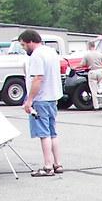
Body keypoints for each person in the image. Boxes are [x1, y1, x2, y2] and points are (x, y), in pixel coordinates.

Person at [18, 29, 64, 176]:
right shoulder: (51, 52)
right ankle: (57, 163)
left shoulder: (37, 55)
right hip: (53, 96)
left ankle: (47, 166)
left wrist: (29, 100)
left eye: (23, 44)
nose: (23, 48)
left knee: (44, 134)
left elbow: (38, 78)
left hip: (41, 98)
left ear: (31, 41)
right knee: (53, 132)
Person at [80, 41, 102, 109]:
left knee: (94, 90)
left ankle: (96, 106)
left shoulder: (87, 55)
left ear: (89, 46)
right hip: (100, 71)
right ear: (94, 46)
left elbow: (82, 64)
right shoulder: (100, 54)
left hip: (92, 72)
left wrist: (75, 67)